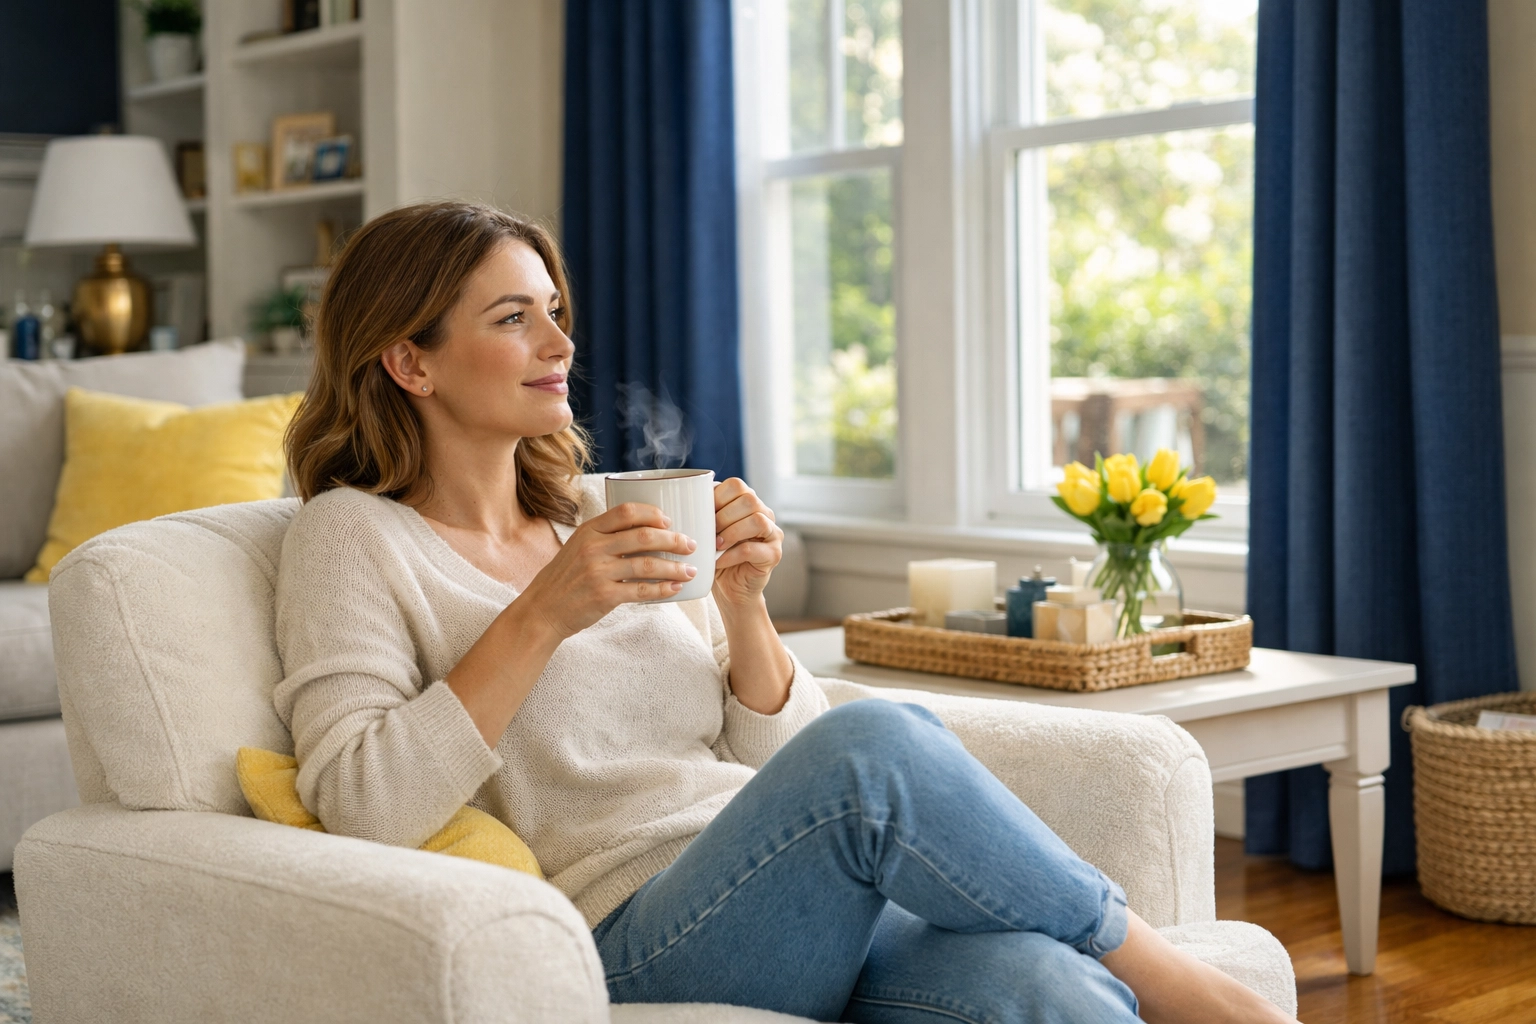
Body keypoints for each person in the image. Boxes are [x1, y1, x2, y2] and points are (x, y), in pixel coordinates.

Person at [275, 200, 1297, 1024]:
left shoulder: (594, 516)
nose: (559, 341)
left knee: (1048, 989)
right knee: (878, 742)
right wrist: (540, 616)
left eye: (554, 310)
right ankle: (1180, 981)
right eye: (513, 319)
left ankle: (1126, 977)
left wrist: (743, 606)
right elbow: (359, 801)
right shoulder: (351, 535)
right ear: (410, 362)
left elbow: (779, 756)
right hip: (637, 937)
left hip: (800, 896)